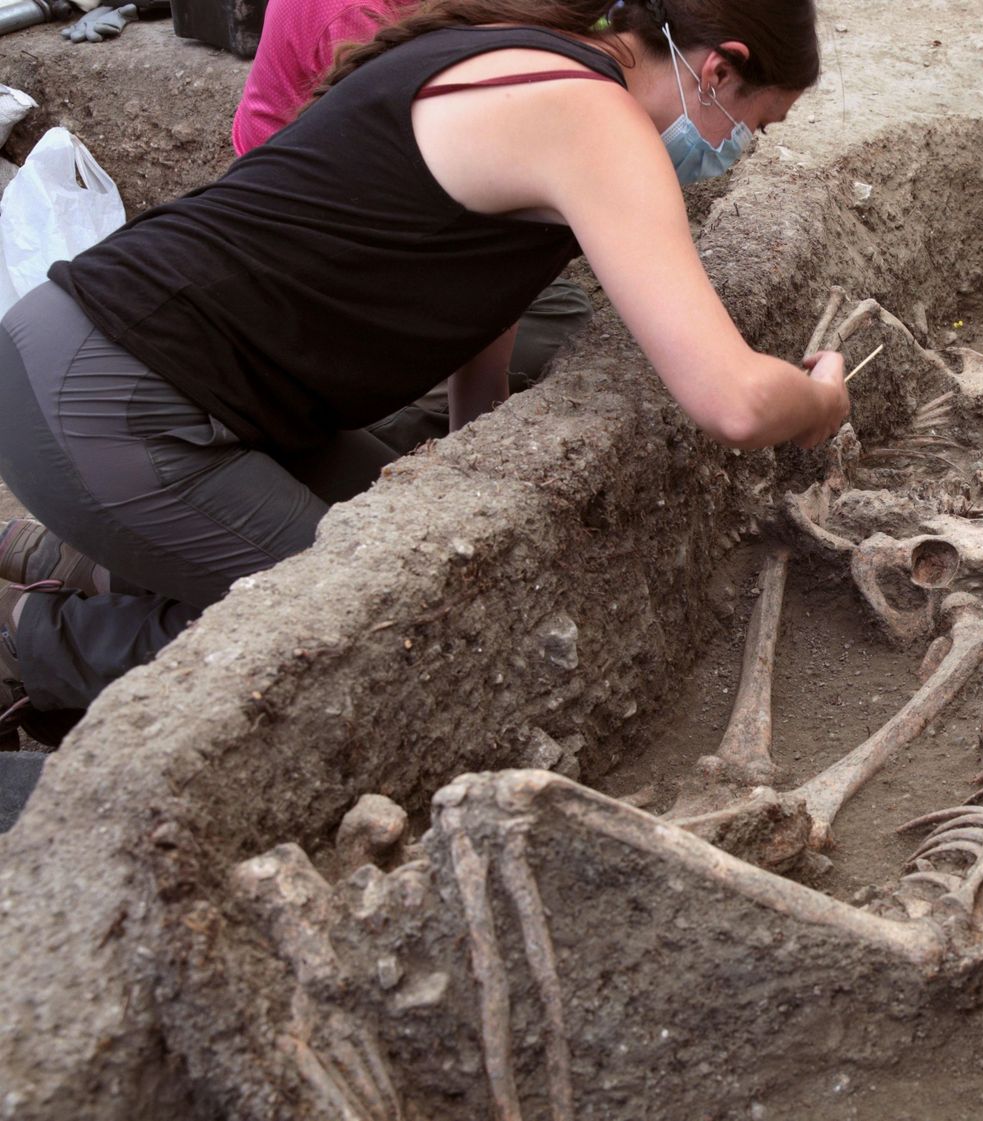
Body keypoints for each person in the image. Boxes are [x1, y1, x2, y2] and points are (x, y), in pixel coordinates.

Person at [0, 0, 849, 763]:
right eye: (756, 124)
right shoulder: (597, 121)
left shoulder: (536, 50)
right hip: (111, 394)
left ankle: (58, 556)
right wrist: (817, 401)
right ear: (719, 69)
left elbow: (482, 275)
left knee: (433, 571)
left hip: (180, 384)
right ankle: (25, 641)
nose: (740, 148)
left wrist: (480, 451)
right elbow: (734, 402)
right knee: (388, 641)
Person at [235, 0, 592, 453]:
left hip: (349, 216)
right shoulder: (353, 17)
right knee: (526, 313)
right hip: (321, 247)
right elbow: (397, 189)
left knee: (556, 308)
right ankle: (370, 425)